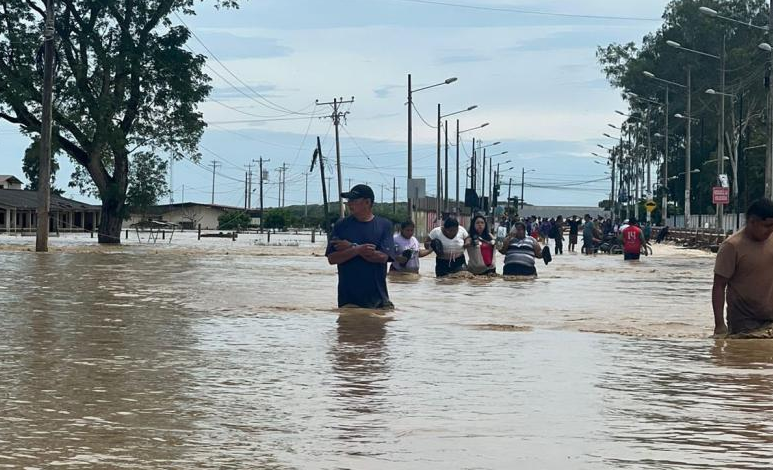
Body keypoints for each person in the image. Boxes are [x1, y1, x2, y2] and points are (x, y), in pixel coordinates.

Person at [326, 184, 394, 309]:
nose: (349, 204)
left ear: (367, 202)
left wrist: (352, 247)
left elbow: (383, 257)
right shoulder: (341, 225)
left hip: (378, 300)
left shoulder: (384, 225)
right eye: (348, 201)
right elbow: (332, 259)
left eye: (354, 200)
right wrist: (357, 249)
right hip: (348, 300)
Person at [712, 198, 773, 336]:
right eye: (767, 226)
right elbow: (719, 286)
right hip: (744, 322)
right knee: (745, 355)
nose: (770, 230)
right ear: (752, 222)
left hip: (770, 318)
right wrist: (719, 325)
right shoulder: (732, 246)